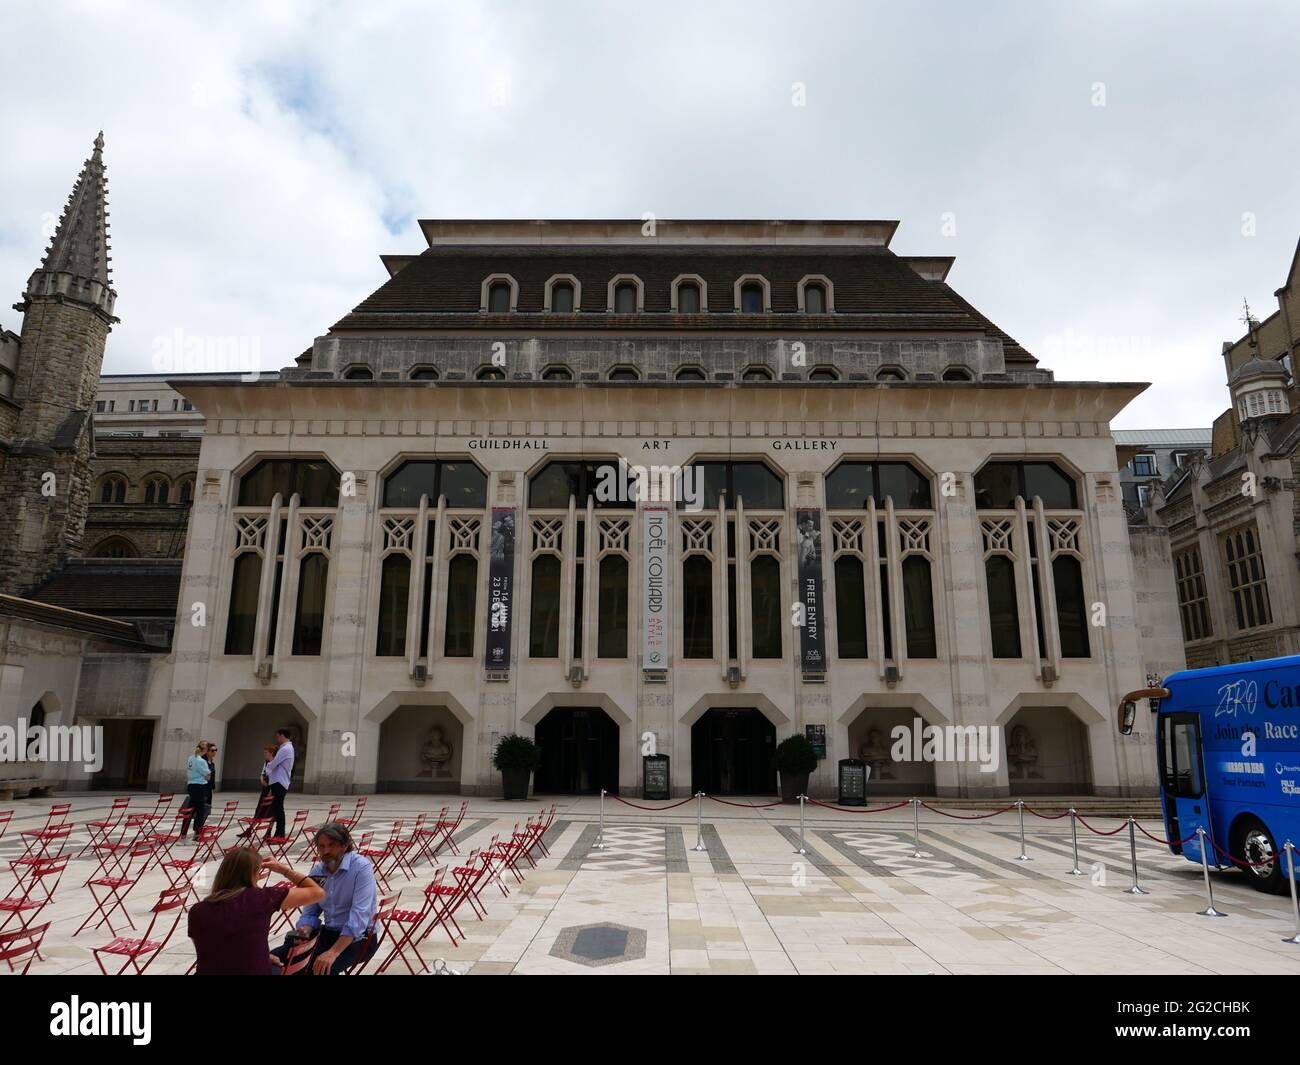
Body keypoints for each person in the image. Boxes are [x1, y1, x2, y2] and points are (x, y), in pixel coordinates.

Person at [188, 848, 324, 975]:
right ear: (253, 873)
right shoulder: (263, 898)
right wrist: (284, 870)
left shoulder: (197, 911)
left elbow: (211, 949)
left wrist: (261, 955)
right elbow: (317, 892)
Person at [269, 823, 379, 975]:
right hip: (328, 933)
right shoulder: (318, 870)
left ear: (344, 845)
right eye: (321, 846)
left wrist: (333, 953)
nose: (325, 851)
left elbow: (359, 917)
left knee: (319, 969)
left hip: (358, 939)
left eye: (331, 845)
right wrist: (305, 929)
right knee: (274, 958)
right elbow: (310, 910)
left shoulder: (361, 868)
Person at [264, 727, 296, 840]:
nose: (276, 738)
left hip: (279, 781)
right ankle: (278, 833)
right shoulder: (286, 748)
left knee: (278, 809)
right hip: (280, 781)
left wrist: (267, 767)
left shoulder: (285, 749)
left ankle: (279, 834)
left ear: (282, 736)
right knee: (277, 808)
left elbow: (274, 763)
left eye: (278, 736)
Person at [181, 742, 213, 841]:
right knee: (200, 811)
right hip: (199, 786)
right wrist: (206, 777)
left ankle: (183, 833)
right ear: (206, 750)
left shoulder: (191, 758)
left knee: (189, 810)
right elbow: (208, 776)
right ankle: (197, 834)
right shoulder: (201, 761)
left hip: (191, 785)